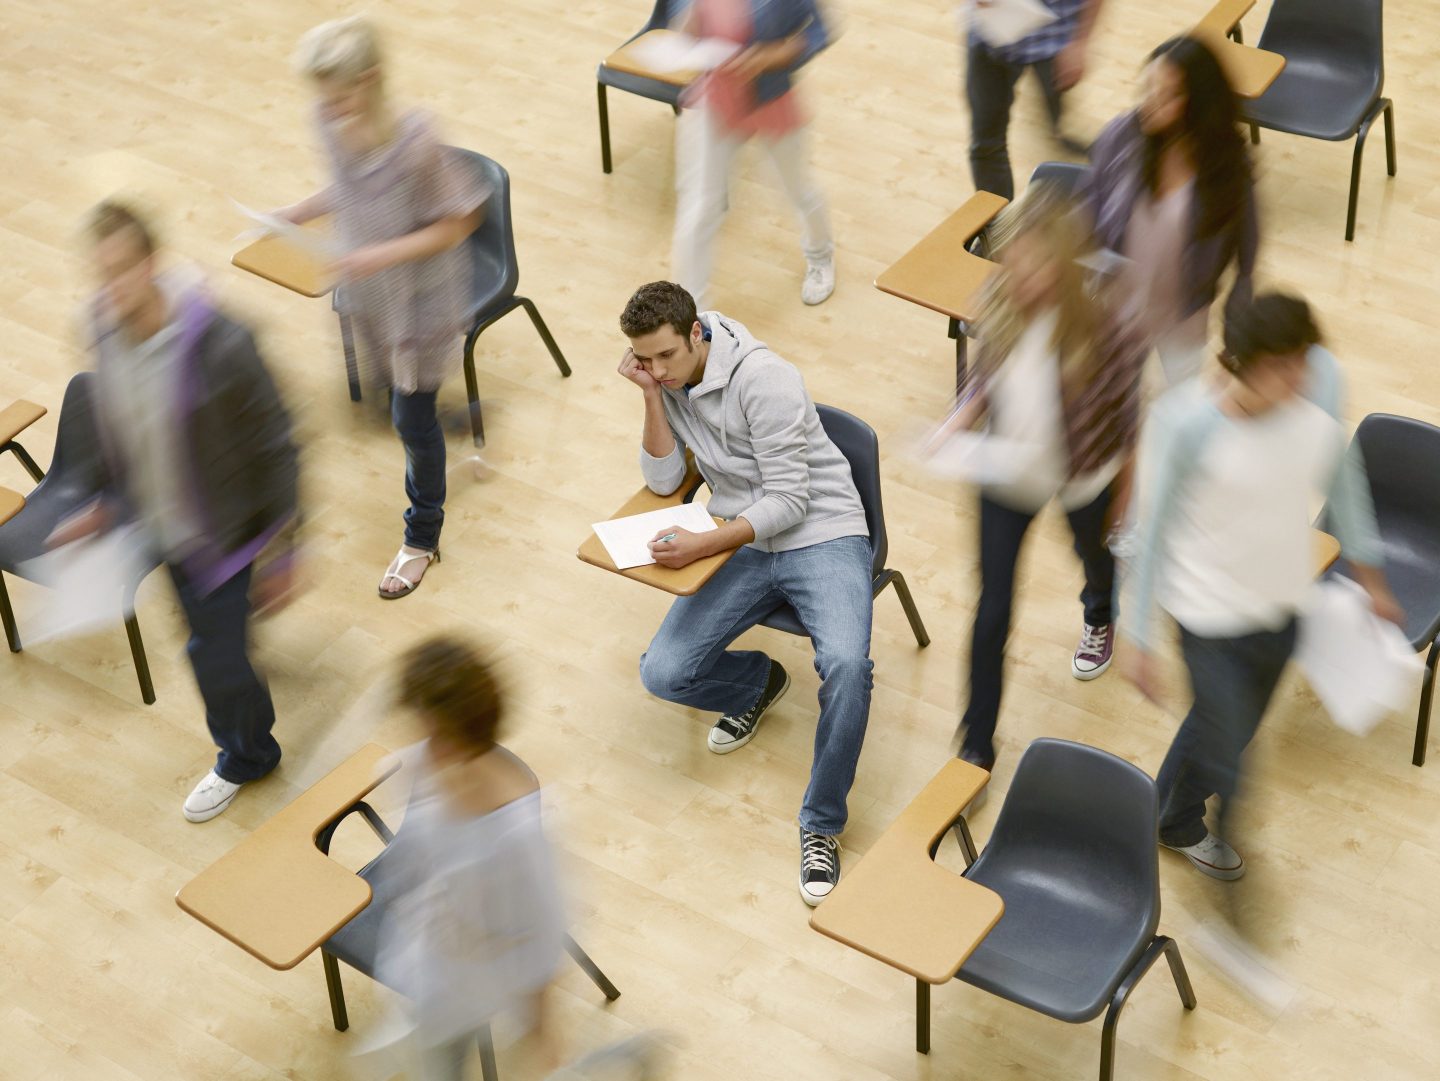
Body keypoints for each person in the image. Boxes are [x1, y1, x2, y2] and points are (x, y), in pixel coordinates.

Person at [1124, 293, 1402, 881]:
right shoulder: (1188, 425)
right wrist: (1137, 633)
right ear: (1242, 364)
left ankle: (1165, 813)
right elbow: (1152, 533)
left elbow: (1349, 501)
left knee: (1228, 726)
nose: (1302, 376)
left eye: (1304, 359)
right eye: (1284, 364)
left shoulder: (1313, 420)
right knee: (1231, 759)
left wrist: (1374, 584)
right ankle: (1198, 847)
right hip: (1204, 614)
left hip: (1279, 606)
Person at [616, 281, 873, 905]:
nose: (658, 369)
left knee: (846, 666)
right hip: (742, 539)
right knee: (664, 674)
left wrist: (702, 545)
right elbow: (664, 480)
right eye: (644, 360)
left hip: (821, 532)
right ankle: (758, 682)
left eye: (666, 357)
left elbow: (791, 500)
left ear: (697, 333)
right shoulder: (668, 382)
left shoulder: (766, 379)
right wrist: (652, 396)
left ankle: (821, 824)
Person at [52, 201, 300, 823]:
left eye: (123, 270)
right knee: (220, 644)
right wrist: (104, 505)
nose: (112, 287)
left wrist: (289, 549)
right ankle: (240, 656)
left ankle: (249, 756)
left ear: (152, 264)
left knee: (210, 656)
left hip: (225, 534)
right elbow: (120, 427)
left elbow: (278, 443)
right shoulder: (105, 334)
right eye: (101, 273)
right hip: (159, 526)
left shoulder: (224, 344)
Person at [368, 635, 663, 1081]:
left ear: (443, 729)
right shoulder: (416, 770)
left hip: (478, 977)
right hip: (432, 970)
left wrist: (543, 1036)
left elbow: (542, 939)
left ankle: (617, 1063)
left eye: (424, 725)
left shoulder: (520, 833)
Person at [279, 15, 489, 599]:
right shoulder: (327, 118)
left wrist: (377, 255)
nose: (330, 108)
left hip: (420, 301)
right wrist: (297, 213)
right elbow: (348, 189)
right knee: (396, 402)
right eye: (324, 96)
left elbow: (459, 221)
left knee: (409, 421)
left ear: (371, 79)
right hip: (371, 294)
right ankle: (444, 416)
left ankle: (422, 537)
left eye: (342, 95)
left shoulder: (416, 140)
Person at [941, 186, 1144, 781]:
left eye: (1037, 265)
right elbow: (985, 380)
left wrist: (1124, 506)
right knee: (992, 607)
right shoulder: (1001, 302)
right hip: (1008, 472)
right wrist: (961, 417)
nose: (1022, 277)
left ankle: (1101, 608)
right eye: (1016, 263)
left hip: (1081, 475)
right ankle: (976, 742)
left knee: (1093, 554)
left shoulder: (1105, 328)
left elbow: (1129, 430)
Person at [1080, 34, 1258, 386]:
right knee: (1112, 402)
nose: (1150, 102)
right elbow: (1087, 207)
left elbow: (1247, 250)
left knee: (1182, 403)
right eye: (1148, 87)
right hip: (1116, 308)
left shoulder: (1228, 167)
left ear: (1198, 103)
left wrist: (1237, 333)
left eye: (1169, 95)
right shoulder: (1120, 137)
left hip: (1183, 318)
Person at [672, 0, 836, 307]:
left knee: (797, 189)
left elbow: (820, 31)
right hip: (717, 99)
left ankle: (820, 255)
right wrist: (687, 27)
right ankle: (691, 310)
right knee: (699, 206)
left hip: (771, 100)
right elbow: (683, 28)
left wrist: (772, 55)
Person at [965, 0, 1105, 200]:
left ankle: (1114, 172)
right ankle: (996, 224)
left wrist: (1080, 42)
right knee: (986, 145)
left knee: (1061, 136)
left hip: (1055, 42)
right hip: (989, 38)